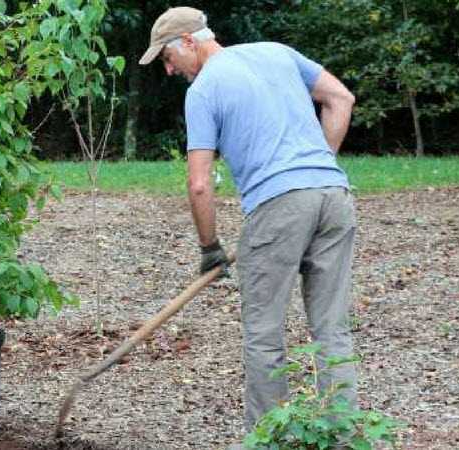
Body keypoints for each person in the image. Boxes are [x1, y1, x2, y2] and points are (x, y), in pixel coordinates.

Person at [139, 6, 358, 445]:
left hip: (278, 208)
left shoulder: (204, 90)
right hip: (335, 199)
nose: (167, 69)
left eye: (166, 57)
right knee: (331, 328)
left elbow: (200, 184)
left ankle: (267, 439)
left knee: (264, 333)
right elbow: (341, 99)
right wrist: (317, 168)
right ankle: (341, 436)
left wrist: (209, 248)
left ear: (188, 42)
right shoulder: (276, 52)